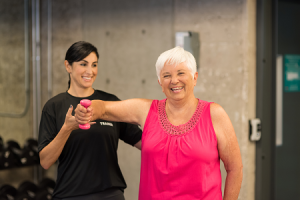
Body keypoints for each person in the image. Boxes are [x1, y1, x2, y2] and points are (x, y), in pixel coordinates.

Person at [75, 46, 243, 200]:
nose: (174, 80)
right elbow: (104, 108)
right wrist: (89, 109)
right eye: (166, 75)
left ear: (195, 77)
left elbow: (235, 169)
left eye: (181, 73)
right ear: (160, 83)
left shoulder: (215, 114)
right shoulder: (146, 110)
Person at [38, 41, 142, 200]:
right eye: (83, 64)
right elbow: (45, 162)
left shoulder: (110, 102)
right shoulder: (54, 107)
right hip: (70, 195)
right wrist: (67, 128)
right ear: (68, 66)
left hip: (110, 194)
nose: (90, 71)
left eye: (94, 65)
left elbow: (143, 142)